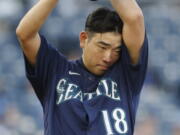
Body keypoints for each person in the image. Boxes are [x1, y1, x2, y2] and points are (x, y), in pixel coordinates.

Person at [16, 0, 148, 135]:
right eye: (103, 47)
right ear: (83, 39)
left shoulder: (125, 74)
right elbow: (25, 34)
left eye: (116, 50)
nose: (108, 57)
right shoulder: (55, 71)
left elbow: (135, 18)